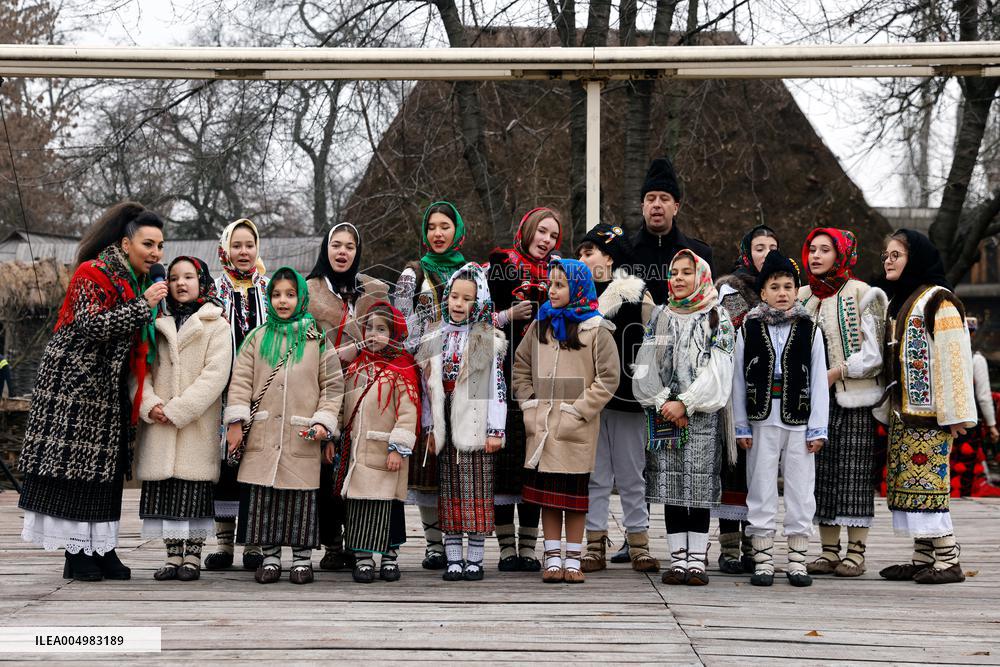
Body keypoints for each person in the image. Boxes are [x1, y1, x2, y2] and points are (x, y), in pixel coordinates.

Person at [19, 202, 167, 581]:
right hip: (75, 389)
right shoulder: (93, 272)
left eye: (160, 246)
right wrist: (142, 306)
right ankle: (76, 553)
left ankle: (102, 549)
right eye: (148, 244)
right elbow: (91, 325)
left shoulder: (132, 281)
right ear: (125, 243)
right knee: (76, 471)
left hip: (109, 387)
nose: (155, 253)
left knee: (108, 472)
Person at [223, 267, 344, 585]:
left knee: (301, 501)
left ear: (301, 298)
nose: (282, 300)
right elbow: (240, 383)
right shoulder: (256, 338)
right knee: (267, 501)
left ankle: (302, 559)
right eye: (276, 294)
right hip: (263, 432)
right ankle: (272, 557)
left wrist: (324, 422)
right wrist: (236, 421)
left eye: (290, 294)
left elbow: (332, 386)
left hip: (301, 434)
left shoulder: (316, 339)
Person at [876, 230, 975, 584]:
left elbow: (953, 358)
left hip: (932, 416)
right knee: (909, 485)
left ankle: (949, 558)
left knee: (928, 486)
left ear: (914, 258)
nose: (888, 260)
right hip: (906, 414)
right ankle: (923, 556)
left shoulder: (938, 301)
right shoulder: (902, 300)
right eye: (886, 254)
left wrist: (956, 413)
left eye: (896, 255)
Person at [512, 258, 620, 583]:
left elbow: (608, 378)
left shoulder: (596, 329)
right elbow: (520, 365)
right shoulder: (540, 324)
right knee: (549, 499)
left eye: (560, 284)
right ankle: (552, 555)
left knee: (573, 498)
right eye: (551, 283)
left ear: (577, 288)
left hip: (575, 428)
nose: (552, 290)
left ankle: (574, 554)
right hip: (543, 426)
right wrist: (529, 403)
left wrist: (579, 410)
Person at [633, 250, 735, 586]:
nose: (677, 278)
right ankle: (678, 558)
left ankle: (696, 559)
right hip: (664, 414)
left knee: (698, 486)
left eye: (685, 273)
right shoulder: (661, 318)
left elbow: (719, 371)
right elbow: (646, 364)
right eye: (673, 272)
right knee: (673, 485)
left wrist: (687, 403)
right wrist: (664, 401)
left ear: (701, 276)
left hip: (701, 416)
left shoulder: (717, 318)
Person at [732, 250, 828, 588]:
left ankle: (798, 560)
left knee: (801, 489)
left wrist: (818, 427)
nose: (783, 292)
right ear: (763, 292)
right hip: (761, 416)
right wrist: (740, 424)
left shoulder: (809, 329)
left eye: (789, 285)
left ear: (796, 289)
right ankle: (763, 559)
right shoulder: (749, 327)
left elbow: (818, 380)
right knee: (760, 485)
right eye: (775, 286)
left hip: (799, 418)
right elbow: (737, 378)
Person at [136, 256, 233, 582]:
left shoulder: (216, 323)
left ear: (201, 282)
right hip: (158, 424)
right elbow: (140, 372)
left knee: (193, 494)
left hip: (195, 424)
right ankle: (172, 555)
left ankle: (193, 555)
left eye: (188, 277)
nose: (180, 283)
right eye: (174, 277)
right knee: (165, 493)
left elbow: (215, 375)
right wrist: (150, 404)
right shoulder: (154, 321)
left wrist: (179, 410)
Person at [798, 228, 887, 578]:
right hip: (814, 400)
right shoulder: (803, 296)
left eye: (825, 250)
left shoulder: (862, 294)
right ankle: (828, 550)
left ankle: (856, 552)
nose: (816, 256)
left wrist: (838, 371)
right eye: (812, 250)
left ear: (841, 255)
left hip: (853, 399)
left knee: (854, 473)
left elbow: (875, 352)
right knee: (823, 473)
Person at [575, 223, 659, 573]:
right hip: (589, 402)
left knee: (631, 475)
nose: (581, 258)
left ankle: (638, 541)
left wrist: (648, 388)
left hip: (627, 399)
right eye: (579, 253)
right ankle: (594, 543)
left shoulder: (638, 296)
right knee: (595, 475)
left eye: (588, 252)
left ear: (608, 258)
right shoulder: (577, 297)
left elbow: (655, 346)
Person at [306, 222, 389, 572]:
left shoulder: (373, 290)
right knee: (326, 472)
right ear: (326, 249)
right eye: (336, 245)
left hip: (366, 390)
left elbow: (390, 333)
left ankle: (360, 541)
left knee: (360, 467)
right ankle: (332, 543)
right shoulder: (308, 291)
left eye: (350, 247)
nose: (342, 252)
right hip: (324, 389)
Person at [419, 264, 507, 581]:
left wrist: (495, 430)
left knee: (476, 494)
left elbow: (497, 388)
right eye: (454, 296)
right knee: (451, 492)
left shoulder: (485, 338)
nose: (458, 303)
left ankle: (475, 558)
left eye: (466, 299)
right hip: (446, 424)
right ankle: (453, 557)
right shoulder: (437, 336)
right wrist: (430, 427)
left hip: (475, 424)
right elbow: (429, 387)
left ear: (479, 302)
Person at [393, 201, 468, 570]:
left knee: (458, 458)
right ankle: (434, 543)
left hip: (464, 374)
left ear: (457, 229)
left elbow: (481, 318)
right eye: (432, 227)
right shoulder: (413, 272)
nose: (438, 233)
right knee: (428, 457)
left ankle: (460, 540)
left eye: (445, 226)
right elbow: (400, 320)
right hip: (425, 373)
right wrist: (420, 358)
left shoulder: (471, 272)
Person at [486, 207, 562, 572]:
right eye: (542, 232)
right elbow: (473, 314)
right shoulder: (499, 265)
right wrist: (507, 316)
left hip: (541, 376)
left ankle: (530, 547)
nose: (546, 240)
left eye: (553, 235)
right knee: (505, 461)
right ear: (528, 230)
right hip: (500, 374)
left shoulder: (559, 274)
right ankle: (505, 548)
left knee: (535, 460)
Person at [336, 301, 418, 584]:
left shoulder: (402, 369)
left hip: (385, 453)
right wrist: (333, 437)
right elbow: (343, 407)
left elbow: (408, 413)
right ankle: (363, 558)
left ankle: (390, 557)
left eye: (381, 329)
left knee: (388, 509)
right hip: (358, 454)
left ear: (394, 333)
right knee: (359, 508)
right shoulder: (356, 367)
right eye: (369, 327)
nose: (373, 334)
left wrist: (398, 447)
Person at [713, 224, 779, 574]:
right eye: (759, 247)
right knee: (733, 466)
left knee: (762, 471)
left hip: (769, 393)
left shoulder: (784, 288)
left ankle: (757, 544)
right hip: (734, 389)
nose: (765, 252)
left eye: (772, 246)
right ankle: (729, 547)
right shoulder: (730, 287)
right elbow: (737, 327)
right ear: (747, 252)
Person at [207, 218, 270, 571]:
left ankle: (255, 544)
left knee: (255, 464)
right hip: (223, 389)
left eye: (249, 245)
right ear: (225, 249)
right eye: (237, 245)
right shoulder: (214, 290)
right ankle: (223, 544)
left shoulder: (270, 287)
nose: (244, 252)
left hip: (262, 389)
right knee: (225, 464)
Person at [630, 157, 713, 305]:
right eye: (651, 199)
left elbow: (710, 303)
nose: (657, 204)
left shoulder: (699, 254)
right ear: (643, 207)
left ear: (675, 208)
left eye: (664, 198)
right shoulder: (626, 252)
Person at [948, 317, 1000, 497]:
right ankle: (961, 493)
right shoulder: (976, 359)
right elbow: (984, 397)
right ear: (973, 333)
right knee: (965, 465)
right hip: (969, 421)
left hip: (946, 419)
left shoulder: (946, 356)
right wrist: (992, 425)